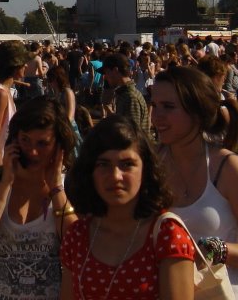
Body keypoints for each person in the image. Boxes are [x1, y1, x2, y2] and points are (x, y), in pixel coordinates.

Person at [150, 67, 238, 299]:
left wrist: (217, 249)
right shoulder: (149, 164)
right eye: (154, 105)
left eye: (168, 107)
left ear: (197, 112)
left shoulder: (228, 168)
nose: (156, 116)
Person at [59, 115, 195, 299]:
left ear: (145, 169)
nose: (115, 176)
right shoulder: (78, 235)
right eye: (103, 164)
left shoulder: (167, 235)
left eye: (127, 165)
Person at [0, 97, 77, 300]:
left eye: (42, 143)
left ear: (58, 146)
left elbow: (77, 245)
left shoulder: (70, 186)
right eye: (25, 140)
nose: (32, 151)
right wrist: (6, 183)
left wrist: (56, 189)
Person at [100, 53, 151, 136]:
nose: (105, 77)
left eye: (106, 72)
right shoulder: (124, 94)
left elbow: (132, 134)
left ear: (115, 70)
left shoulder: (130, 97)